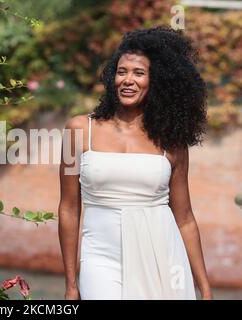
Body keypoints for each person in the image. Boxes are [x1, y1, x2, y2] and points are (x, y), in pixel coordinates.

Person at [58, 26, 212, 300]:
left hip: (162, 256)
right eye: (122, 71)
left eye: (139, 73)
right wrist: (71, 284)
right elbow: (69, 209)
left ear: (158, 82)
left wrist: (205, 288)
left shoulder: (171, 141)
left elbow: (185, 218)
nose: (128, 80)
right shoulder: (79, 131)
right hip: (100, 259)